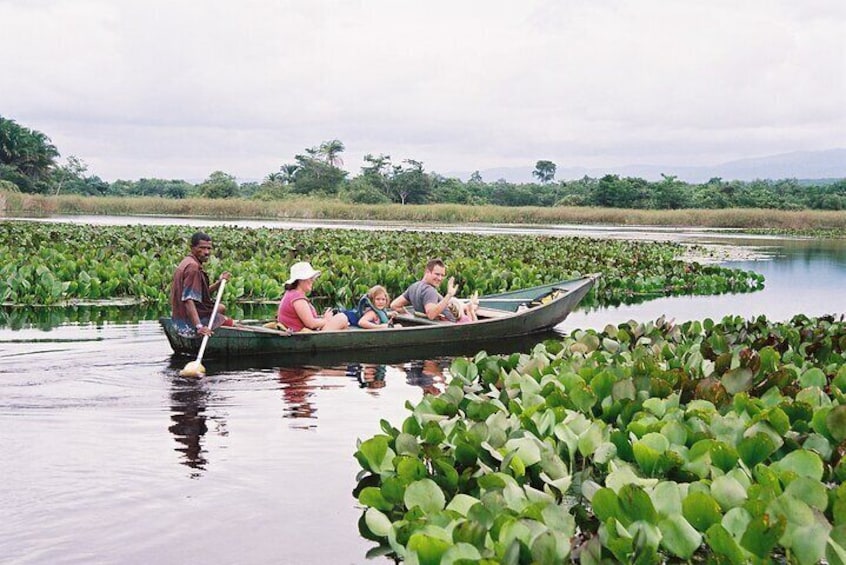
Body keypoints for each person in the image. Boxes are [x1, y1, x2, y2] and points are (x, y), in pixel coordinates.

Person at [171, 231, 233, 337]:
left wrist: (219, 283)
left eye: (209, 248)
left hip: (182, 313)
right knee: (231, 324)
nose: (206, 252)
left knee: (221, 308)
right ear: (192, 247)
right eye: (202, 248)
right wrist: (199, 326)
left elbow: (201, 293)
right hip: (186, 318)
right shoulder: (193, 267)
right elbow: (188, 300)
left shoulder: (187, 261)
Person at [277, 261, 349, 332]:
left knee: (341, 320)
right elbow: (311, 324)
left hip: (305, 332)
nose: (313, 281)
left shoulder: (291, 294)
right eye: (310, 278)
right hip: (304, 336)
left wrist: (324, 319)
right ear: (301, 280)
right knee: (342, 318)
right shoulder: (297, 298)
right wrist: (327, 320)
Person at [390, 258, 459, 321]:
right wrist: (449, 295)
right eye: (437, 274)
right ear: (427, 272)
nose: (440, 278)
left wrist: (409, 315)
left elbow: (394, 305)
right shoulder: (430, 291)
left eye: (442, 275)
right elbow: (431, 315)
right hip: (448, 327)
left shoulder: (414, 286)